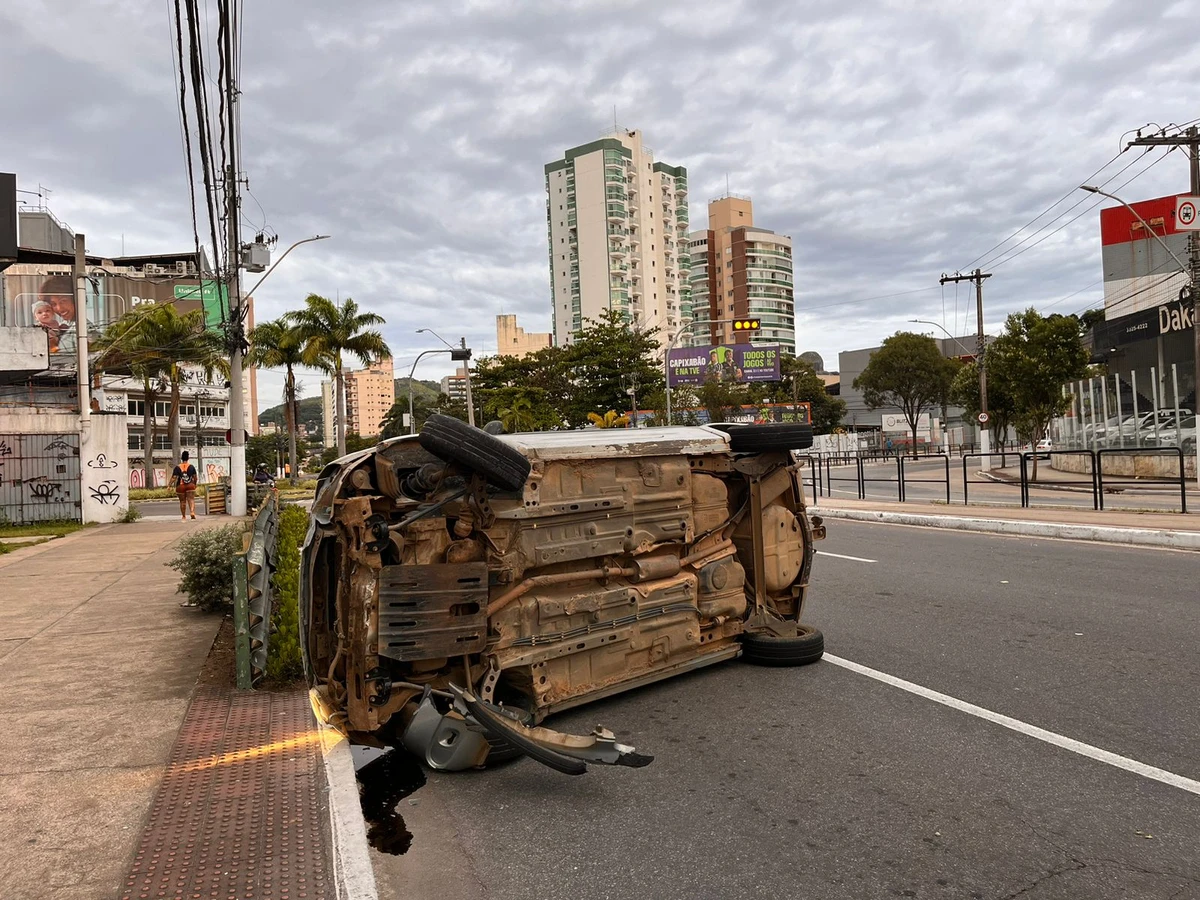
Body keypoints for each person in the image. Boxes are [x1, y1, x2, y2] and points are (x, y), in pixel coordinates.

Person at [170, 450, 199, 521]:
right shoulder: (191, 467)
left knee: (182, 501)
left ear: (181, 458)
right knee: (191, 499)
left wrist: (169, 485)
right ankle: (192, 512)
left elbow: (174, 477)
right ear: (188, 458)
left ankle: (183, 516)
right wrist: (194, 484)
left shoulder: (177, 467)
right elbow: (195, 477)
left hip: (180, 486)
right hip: (190, 485)